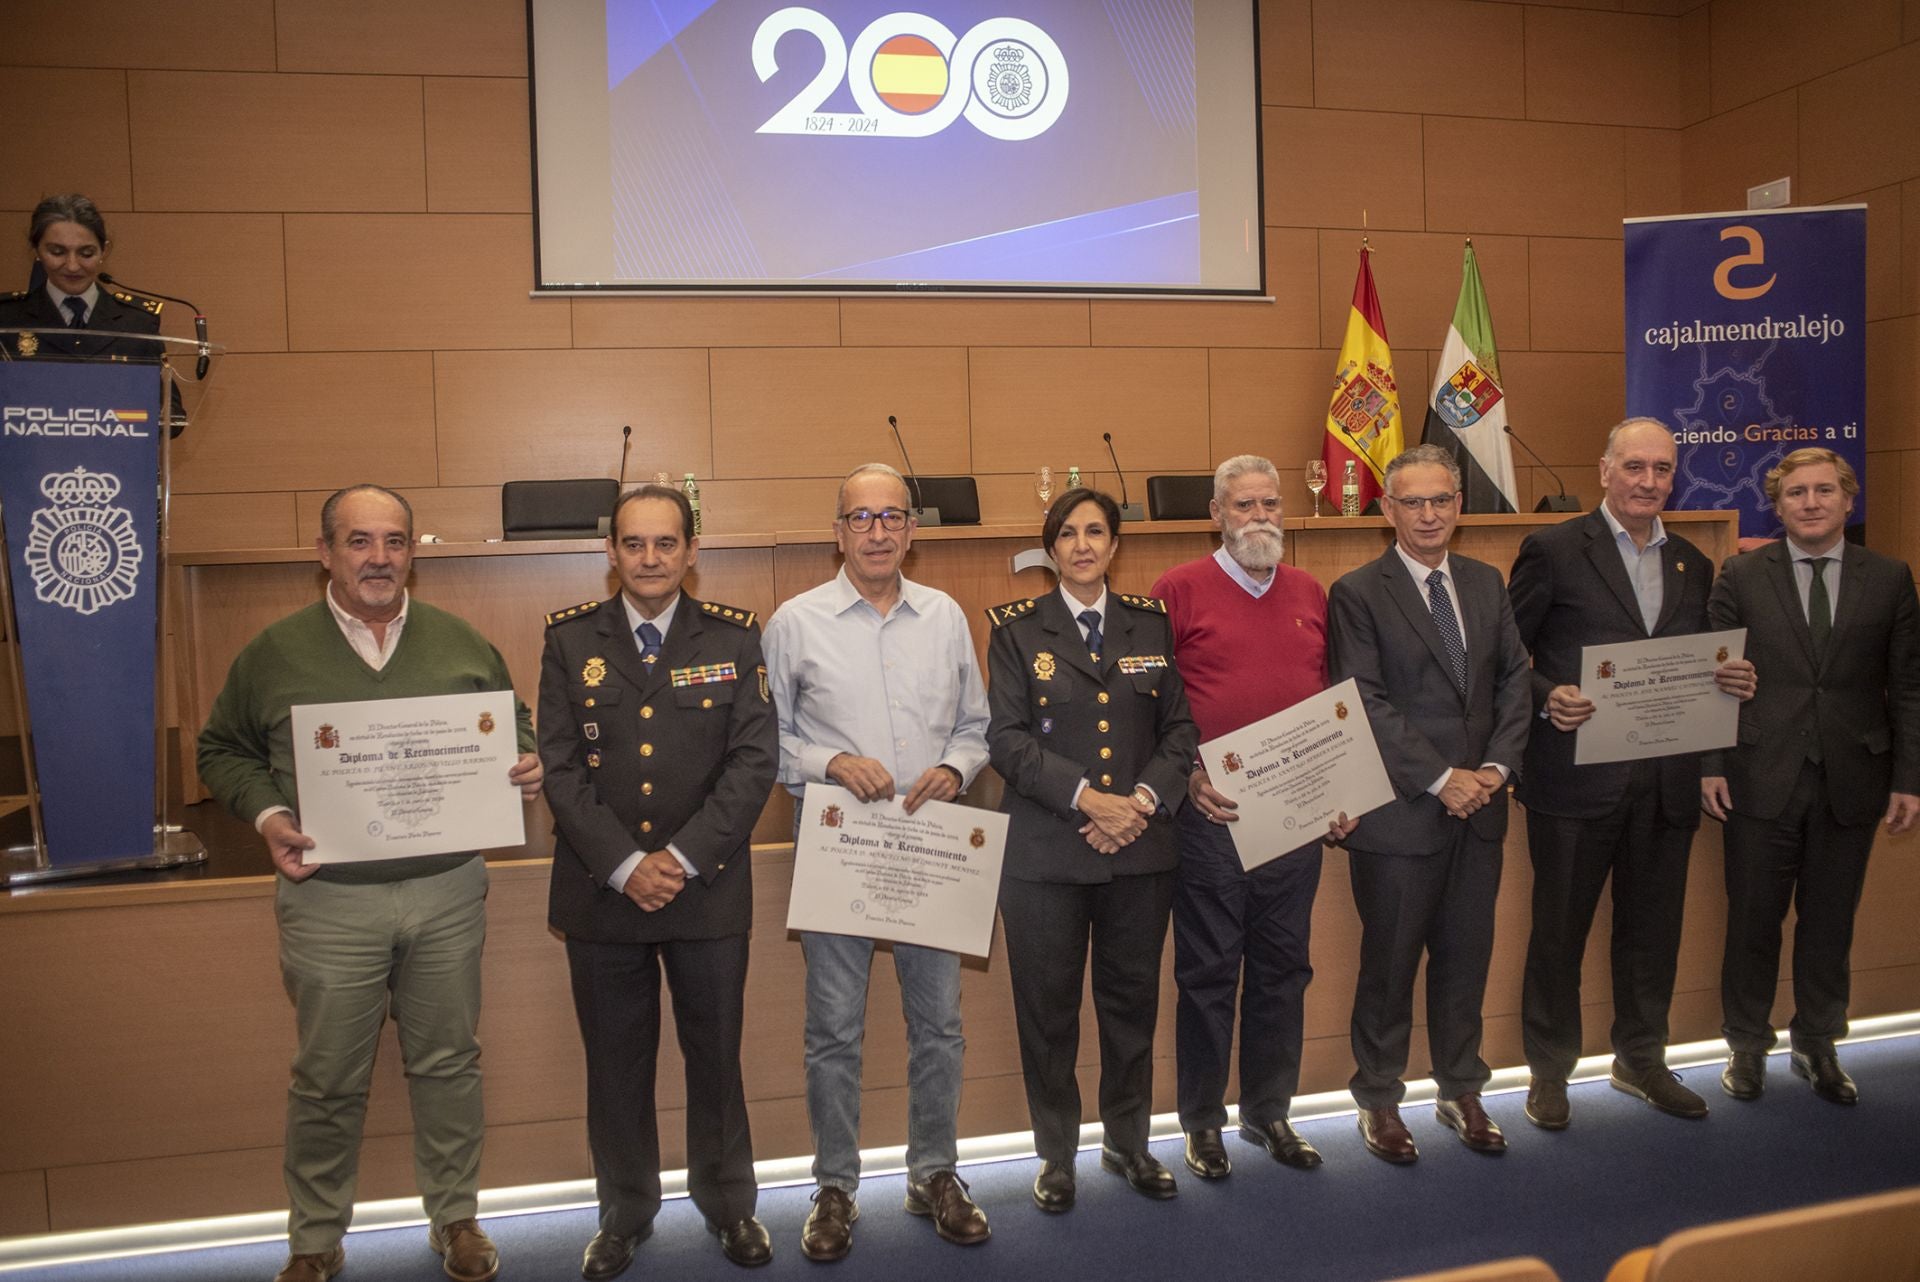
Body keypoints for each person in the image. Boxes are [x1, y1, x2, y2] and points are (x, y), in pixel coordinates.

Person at [197, 485, 544, 1282]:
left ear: (413, 553)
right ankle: (315, 1239)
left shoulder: (460, 642)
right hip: (329, 900)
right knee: (326, 1078)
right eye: (359, 542)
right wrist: (269, 813)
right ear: (325, 553)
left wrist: (523, 762)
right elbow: (220, 750)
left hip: (448, 891)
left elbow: (512, 721)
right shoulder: (275, 650)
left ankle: (455, 1217)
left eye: (394, 542)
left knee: (450, 1063)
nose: (378, 558)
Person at [539, 484, 776, 1278]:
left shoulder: (736, 639)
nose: (649, 558)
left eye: (665, 544)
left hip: (704, 891)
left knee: (716, 1061)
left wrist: (675, 860)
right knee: (615, 1065)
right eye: (634, 544)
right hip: (602, 894)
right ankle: (625, 1212)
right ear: (612, 552)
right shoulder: (570, 641)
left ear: (692, 552)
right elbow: (562, 769)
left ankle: (729, 1207)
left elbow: (753, 762)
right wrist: (625, 865)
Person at [762, 463, 993, 1261]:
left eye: (892, 516)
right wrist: (829, 762)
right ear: (838, 531)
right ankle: (834, 1187)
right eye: (861, 518)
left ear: (912, 531)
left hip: (928, 846)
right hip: (841, 848)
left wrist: (957, 770)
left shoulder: (946, 616)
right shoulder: (794, 621)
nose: (877, 531)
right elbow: (770, 742)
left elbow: (977, 724)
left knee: (940, 1024)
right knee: (833, 1028)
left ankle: (935, 1174)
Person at [1506, 418, 1757, 1129]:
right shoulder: (1553, 550)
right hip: (1574, 782)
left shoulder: (1692, 563)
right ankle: (1549, 1072)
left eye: (1662, 470)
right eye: (1636, 467)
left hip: (1665, 784)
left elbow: (1698, 667)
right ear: (1605, 471)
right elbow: (1505, 659)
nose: (1650, 482)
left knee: (1653, 932)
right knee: (1560, 933)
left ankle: (1641, 1059)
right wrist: (1545, 694)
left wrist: (1730, 678)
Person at [986, 487, 1198, 1210]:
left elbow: (1180, 733)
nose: (1082, 545)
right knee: (1047, 1011)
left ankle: (1129, 1142)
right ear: (1051, 551)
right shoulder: (1016, 630)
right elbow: (1007, 743)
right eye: (1068, 534)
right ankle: (1056, 1155)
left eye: (1096, 532)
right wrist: (1089, 799)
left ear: (1114, 546)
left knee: (1131, 1003)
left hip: (1140, 852)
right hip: (1046, 858)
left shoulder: (1151, 626)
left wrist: (1138, 804)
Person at [1149, 455, 1352, 1180]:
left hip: (1295, 818)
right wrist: (1190, 776)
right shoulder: (1177, 590)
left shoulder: (1308, 590)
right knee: (1208, 972)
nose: (1261, 517)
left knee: (1282, 970)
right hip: (1212, 816)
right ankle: (1202, 1123)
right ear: (1216, 515)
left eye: (1271, 504)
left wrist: (1340, 789)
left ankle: (1271, 1113)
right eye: (1244, 506)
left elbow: (1330, 698)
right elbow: (1154, 706)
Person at [1326, 444, 1530, 1163]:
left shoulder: (1485, 581)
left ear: (1459, 505)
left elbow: (1515, 682)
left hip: (1482, 810)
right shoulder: (1356, 591)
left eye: (1442, 499)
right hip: (1402, 815)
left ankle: (1461, 1088)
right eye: (1413, 502)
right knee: (1388, 965)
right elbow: (1363, 702)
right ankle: (1379, 1099)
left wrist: (1496, 770)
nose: (1429, 514)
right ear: (1387, 510)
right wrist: (1444, 777)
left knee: (1466, 959)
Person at [1703, 448, 1920, 1106]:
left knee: (1830, 921)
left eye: (1825, 490)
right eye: (1796, 492)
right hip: (1758, 774)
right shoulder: (1739, 575)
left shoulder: (1889, 578)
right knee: (1753, 921)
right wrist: (1710, 763)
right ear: (1778, 505)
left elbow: (1908, 687)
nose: (1811, 502)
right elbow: (1712, 676)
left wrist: (1909, 778)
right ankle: (1745, 1044)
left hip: (1853, 778)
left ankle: (1819, 1043)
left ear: (1848, 500)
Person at [0, 193, 187, 432]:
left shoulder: (137, 321)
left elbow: (172, 415)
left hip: (117, 464)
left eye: (86, 253)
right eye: (57, 252)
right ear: (37, 249)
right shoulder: (7, 319)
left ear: (104, 251)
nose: (72, 265)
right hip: (32, 464)